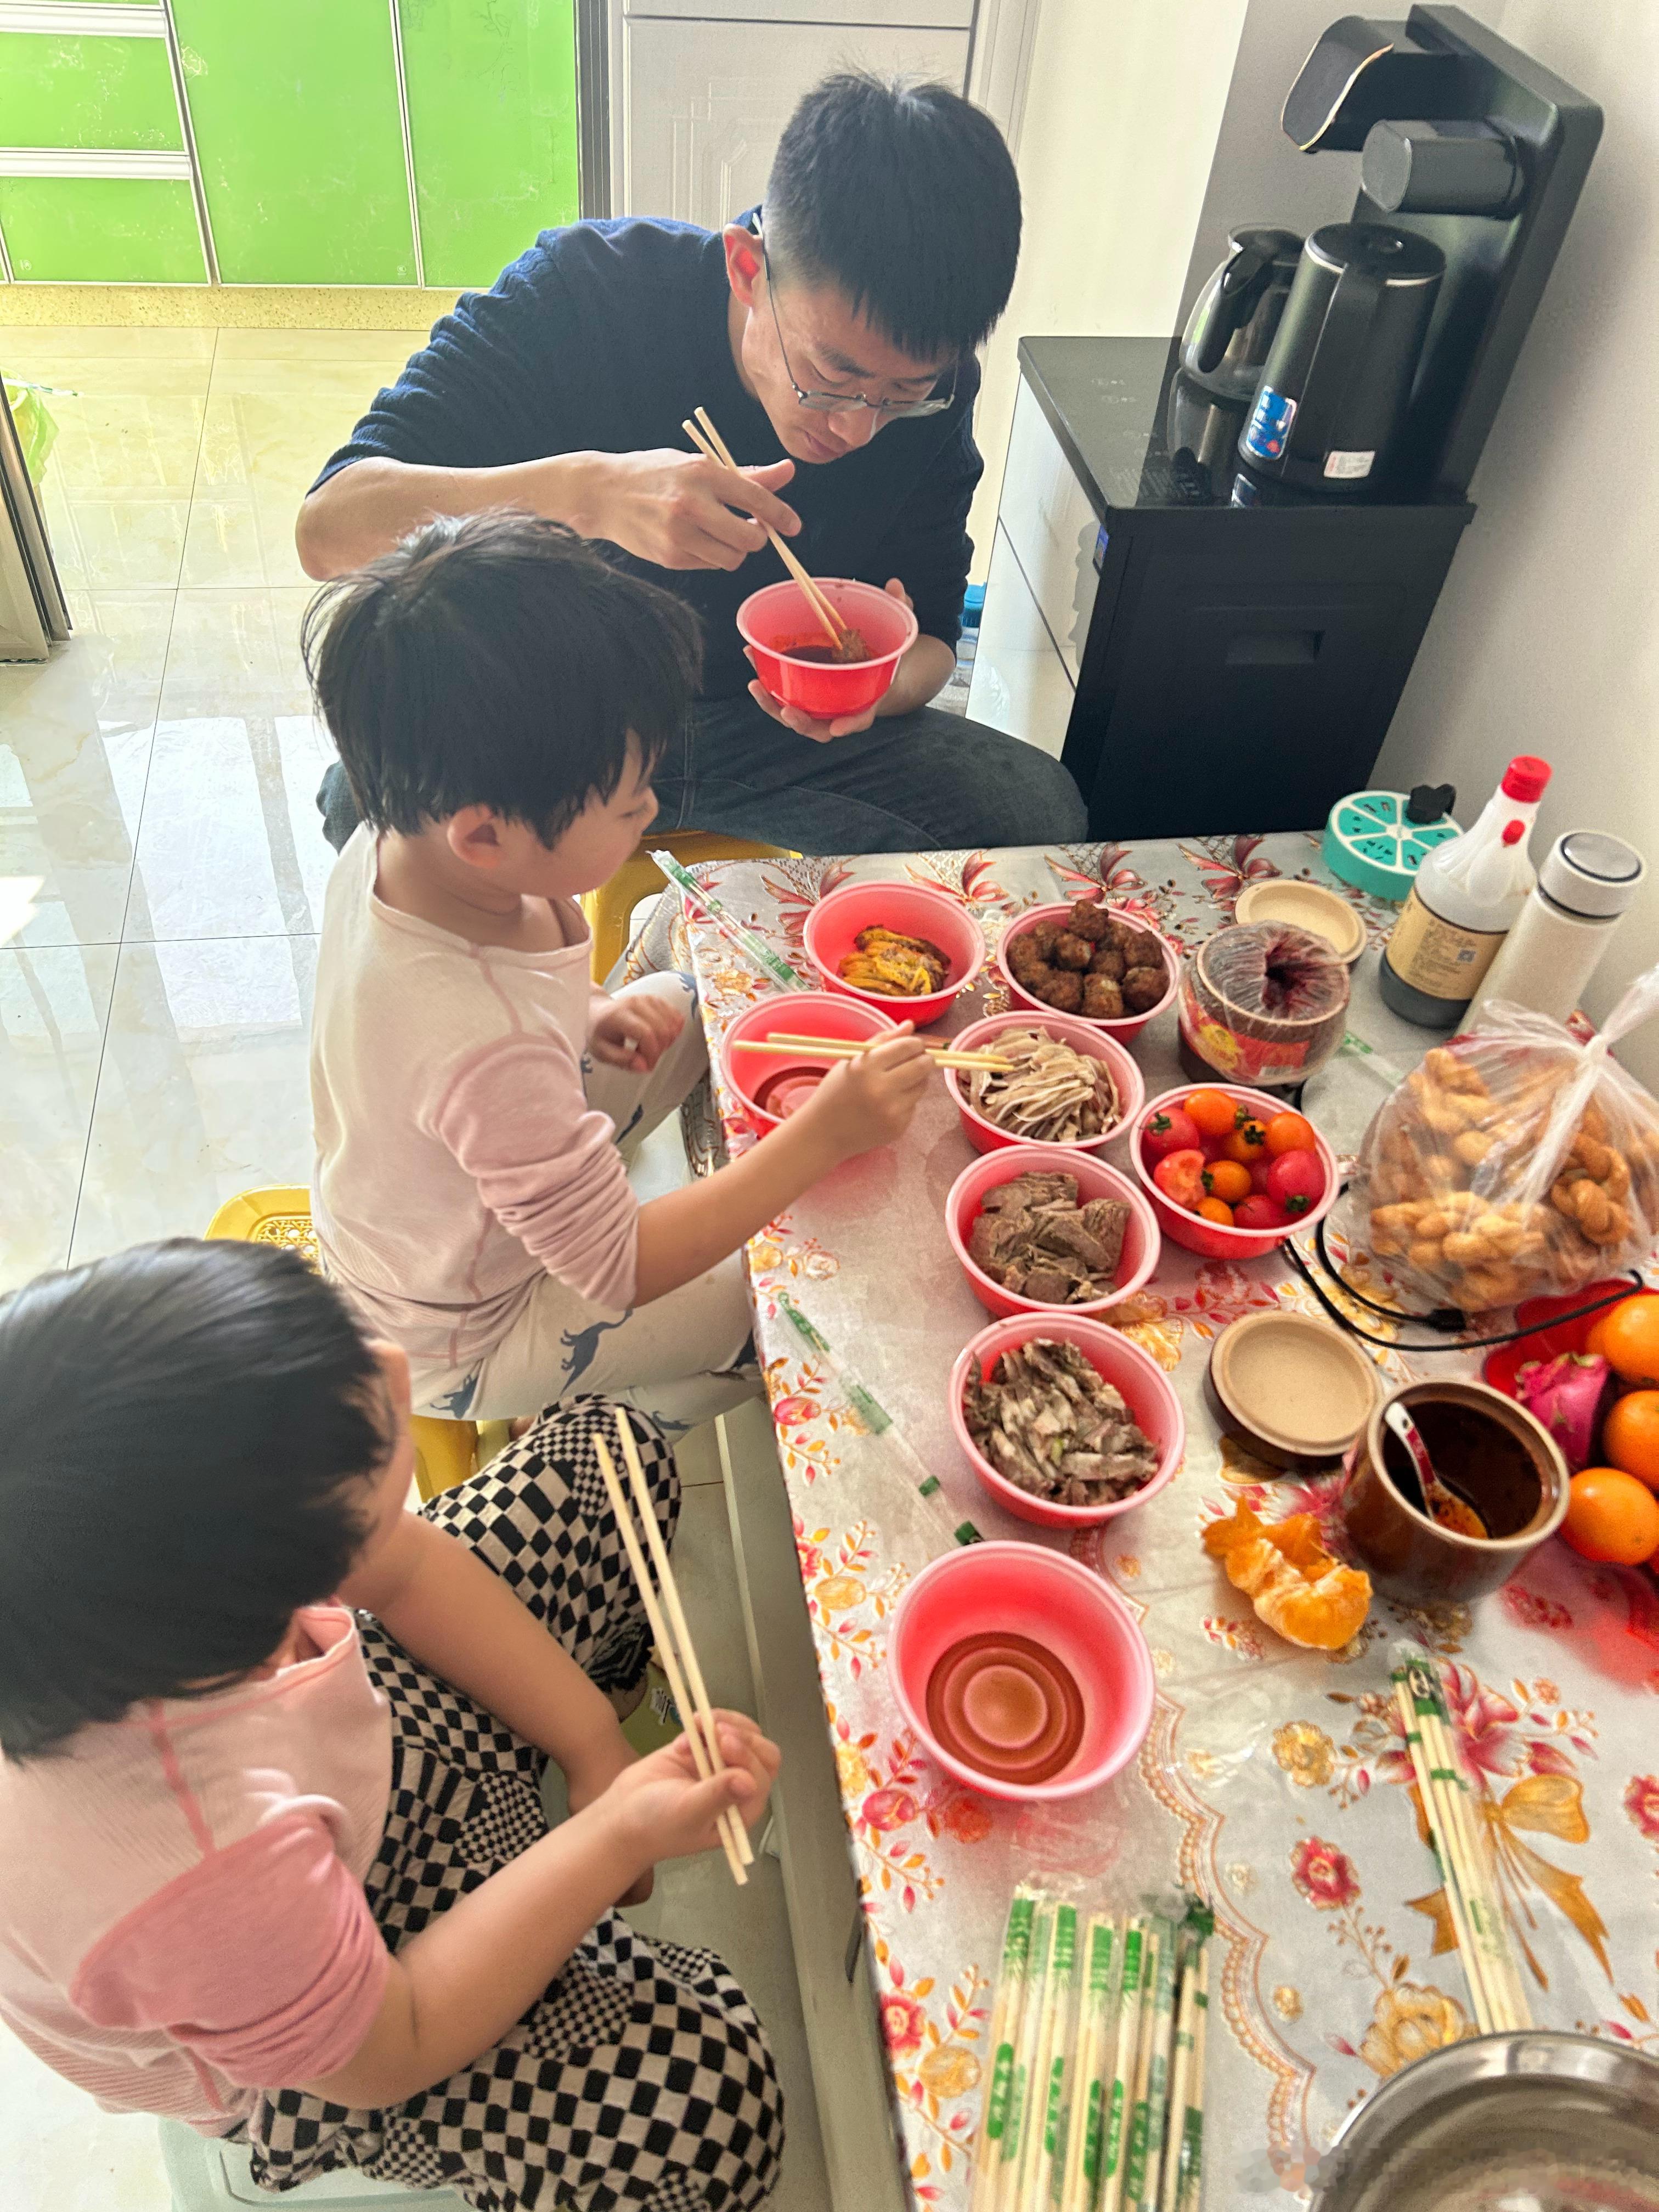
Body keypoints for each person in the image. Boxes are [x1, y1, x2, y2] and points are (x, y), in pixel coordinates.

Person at [0, 1237, 784, 2208]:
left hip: (329, 1757)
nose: (392, 1370)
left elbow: (401, 1567)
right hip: (332, 2019)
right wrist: (611, 1832)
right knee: (707, 2112)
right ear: (254, 1599)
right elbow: (394, 2045)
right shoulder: (198, 1869)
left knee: (606, 1449)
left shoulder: (153, 1570)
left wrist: (590, 1746)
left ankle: (566, 1745)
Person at [297, 71, 1088, 859]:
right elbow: (329, 528)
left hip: (776, 740)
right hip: (561, 722)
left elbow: (938, 640)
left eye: (901, 392)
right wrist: (590, 495)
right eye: (832, 375)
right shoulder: (586, 293)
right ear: (748, 269)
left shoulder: (939, 394)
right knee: (366, 814)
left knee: (1039, 814)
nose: (856, 426)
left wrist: (874, 688)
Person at [307, 510, 932, 1430]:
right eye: (628, 797)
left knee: (684, 1002)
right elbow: (619, 1264)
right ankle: (615, 1423)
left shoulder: (398, 830)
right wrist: (821, 1137)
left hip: (428, 1210)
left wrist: (588, 1010)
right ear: (486, 834)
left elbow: (490, 1017)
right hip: (464, 1332)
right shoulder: (486, 1046)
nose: (650, 805)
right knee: (784, 1300)